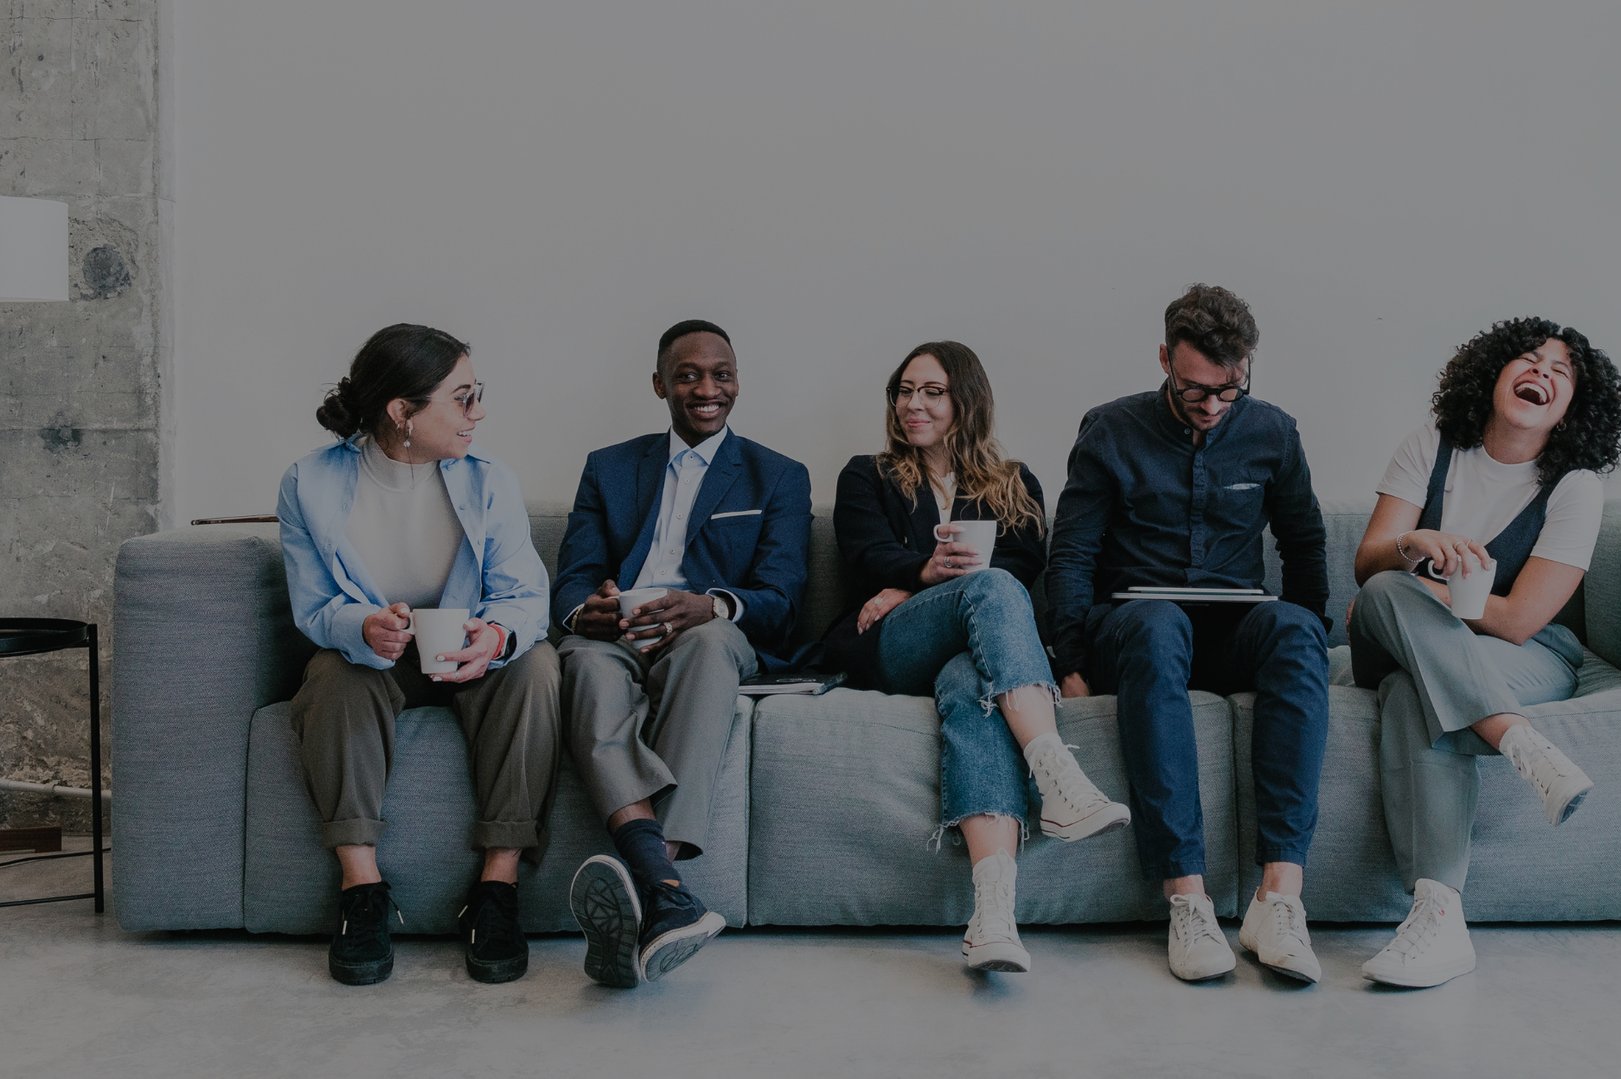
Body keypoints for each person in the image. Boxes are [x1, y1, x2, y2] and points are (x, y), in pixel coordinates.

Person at [1046, 284, 1331, 984]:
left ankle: (1279, 898)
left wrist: (1316, 631)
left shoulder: (1273, 431)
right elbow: (1073, 551)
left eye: (1227, 390)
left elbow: (1304, 542)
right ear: (1164, 359)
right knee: (1155, 619)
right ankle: (1187, 899)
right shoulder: (1109, 430)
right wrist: (1070, 656)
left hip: (1234, 625)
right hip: (1137, 629)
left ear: (1247, 365)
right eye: (1194, 388)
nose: (1211, 406)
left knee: (1296, 632)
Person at [824, 341, 1131, 973]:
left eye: (932, 391)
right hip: (893, 646)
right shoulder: (867, 474)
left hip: (971, 653)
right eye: (904, 391)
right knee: (990, 588)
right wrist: (918, 574)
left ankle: (993, 916)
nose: (914, 404)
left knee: (971, 681)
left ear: (966, 400)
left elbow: (1025, 568)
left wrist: (926, 583)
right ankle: (1054, 772)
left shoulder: (1015, 483)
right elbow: (864, 552)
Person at [1347, 316, 1621, 989]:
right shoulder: (1430, 446)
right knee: (1385, 589)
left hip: (1520, 653)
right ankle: (1521, 743)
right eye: (1530, 360)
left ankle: (1438, 917)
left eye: (1561, 372)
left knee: (1416, 692)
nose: (1542, 373)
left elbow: (1521, 618)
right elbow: (1368, 562)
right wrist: (1416, 546)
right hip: (1393, 635)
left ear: (1573, 407)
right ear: (1495, 371)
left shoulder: (1575, 487)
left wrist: (1435, 598)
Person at [278, 323, 560, 986]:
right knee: (332, 674)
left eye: (477, 394)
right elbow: (314, 607)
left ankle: (496, 889)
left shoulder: (490, 480)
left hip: (468, 652)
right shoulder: (309, 484)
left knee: (538, 664)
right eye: (462, 398)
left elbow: (525, 596)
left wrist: (495, 636)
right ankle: (361, 890)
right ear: (402, 412)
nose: (479, 413)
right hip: (377, 660)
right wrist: (363, 625)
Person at [553, 319, 811, 987]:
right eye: (689, 374)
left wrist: (713, 603)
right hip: (620, 637)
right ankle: (666, 895)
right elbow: (571, 581)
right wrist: (590, 610)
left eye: (720, 373)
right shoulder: (609, 467)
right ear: (660, 384)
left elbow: (783, 597)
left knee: (708, 643)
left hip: (709, 634)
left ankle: (648, 871)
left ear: (737, 381)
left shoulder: (777, 475)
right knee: (579, 658)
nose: (706, 388)